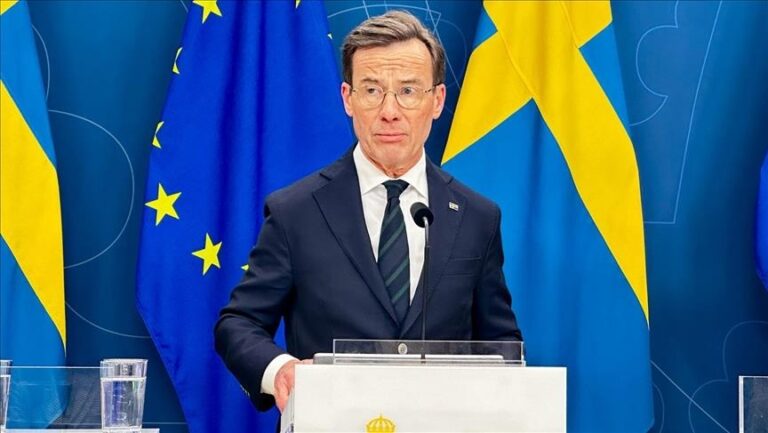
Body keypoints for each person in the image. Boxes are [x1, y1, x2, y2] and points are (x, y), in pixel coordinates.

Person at [214, 10, 522, 413]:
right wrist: (281, 370)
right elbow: (239, 323)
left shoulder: (476, 217)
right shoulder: (296, 212)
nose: (389, 111)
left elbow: (501, 343)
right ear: (348, 98)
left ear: (437, 101)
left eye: (408, 91)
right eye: (373, 90)